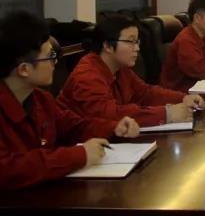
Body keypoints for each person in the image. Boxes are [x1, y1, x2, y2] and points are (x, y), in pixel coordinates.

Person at [0, 11, 140, 189]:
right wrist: (79, 155)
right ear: (24, 69)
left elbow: (74, 126)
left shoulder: (41, 99)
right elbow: (8, 168)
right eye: (50, 56)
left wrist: (114, 128)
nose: (55, 63)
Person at [58, 15, 205, 127]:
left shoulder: (120, 68)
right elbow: (111, 116)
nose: (137, 48)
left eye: (137, 42)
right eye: (130, 41)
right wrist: (167, 114)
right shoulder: (87, 76)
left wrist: (183, 98)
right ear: (107, 46)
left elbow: (145, 93)